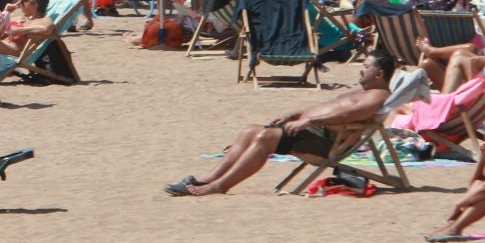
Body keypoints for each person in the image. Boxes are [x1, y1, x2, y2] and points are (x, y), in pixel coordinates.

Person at [166, 49, 395, 196]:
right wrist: (293, 115)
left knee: (265, 138)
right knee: (250, 130)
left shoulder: (377, 96)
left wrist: (308, 122)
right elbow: (335, 110)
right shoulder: (365, 91)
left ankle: (221, 185)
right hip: (312, 130)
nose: (362, 69)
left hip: (326, 141)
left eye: (366, 66)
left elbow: (348, 117)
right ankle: (209, 178)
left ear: (379, 74)